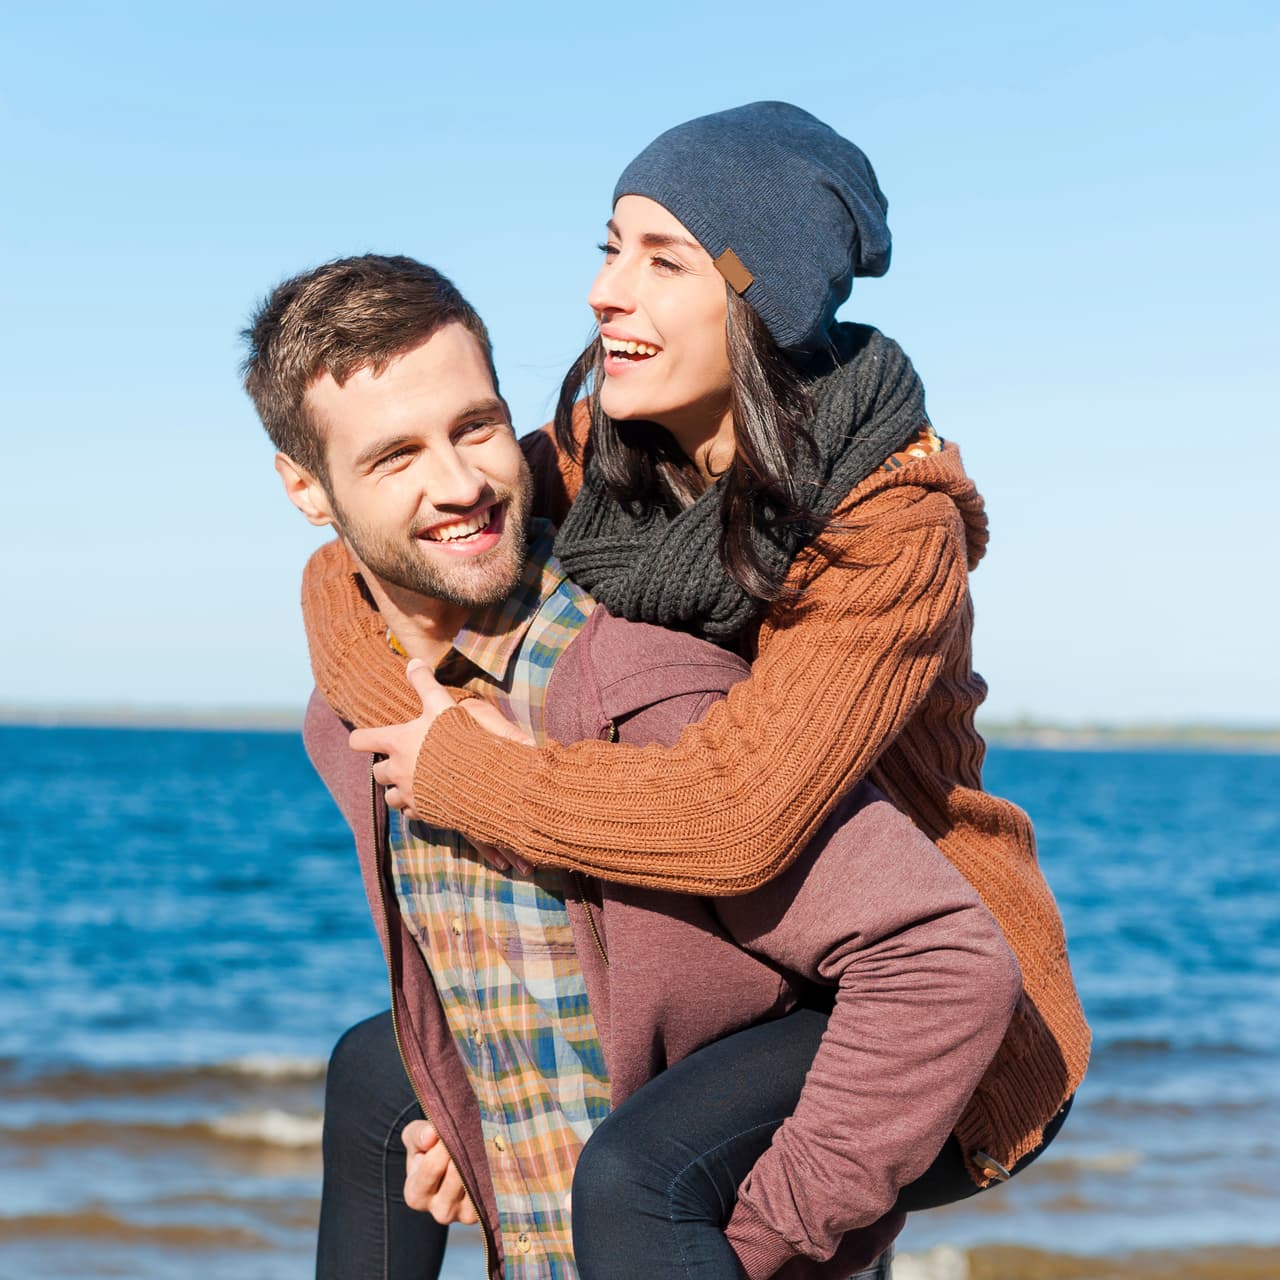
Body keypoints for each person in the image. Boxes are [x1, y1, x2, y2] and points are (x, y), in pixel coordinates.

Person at [341, 102, 1090, 1271]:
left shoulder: (890, 531)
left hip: (909, 992)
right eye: (606, 245)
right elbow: (368, 563)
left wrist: (472, 772)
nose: (604, 290)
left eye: (660, 257)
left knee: (638, 1181)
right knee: (379, 1069)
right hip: (737, 942)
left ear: (750, 295)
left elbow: (736, 813)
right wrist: (401, 711)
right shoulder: (608, 452)